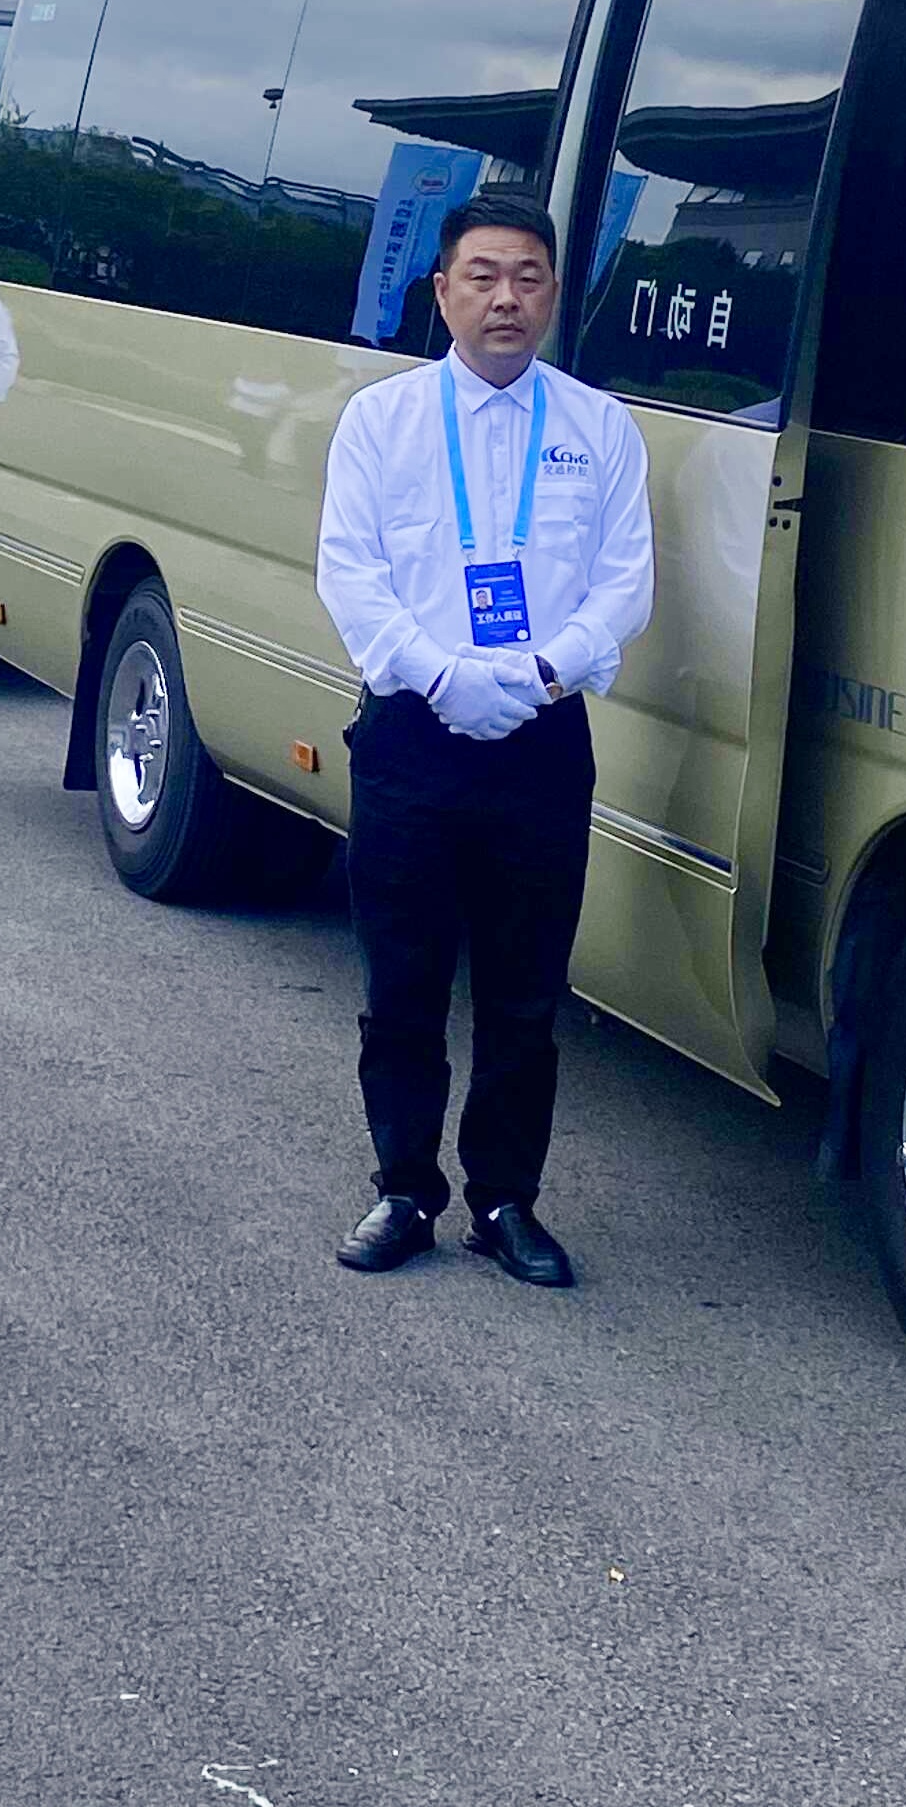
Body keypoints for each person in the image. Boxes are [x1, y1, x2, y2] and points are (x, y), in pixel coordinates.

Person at [315, 193, 655, 1287]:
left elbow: (625, 585)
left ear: (554, 293)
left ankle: (507, 1200)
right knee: (403, 981)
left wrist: (543, 676)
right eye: (483, 275)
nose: (506, 297)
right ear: (443, 290)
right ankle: (403, 1189)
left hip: (542, 742)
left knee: (524, 990)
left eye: (528, 277)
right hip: (412, 735)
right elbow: (350, 572)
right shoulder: (382, 421)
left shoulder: (600, 429)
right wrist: (442, 675)